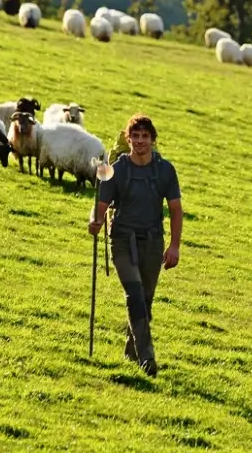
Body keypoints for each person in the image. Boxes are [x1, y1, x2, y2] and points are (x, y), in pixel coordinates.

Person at [88, 113, 182, 377]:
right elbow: (101, 206)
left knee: (146, 300)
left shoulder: (165, 170)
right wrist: (95, 221)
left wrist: (174, 246)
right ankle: (147, 356)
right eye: (135, 136)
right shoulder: (116, 170)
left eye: (145, 136)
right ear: (128, 140)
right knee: (135, 295)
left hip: (153, 242)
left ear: (153, 140)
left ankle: (132, 350)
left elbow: (175, 209)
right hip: (122, 241)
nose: (140, 141)